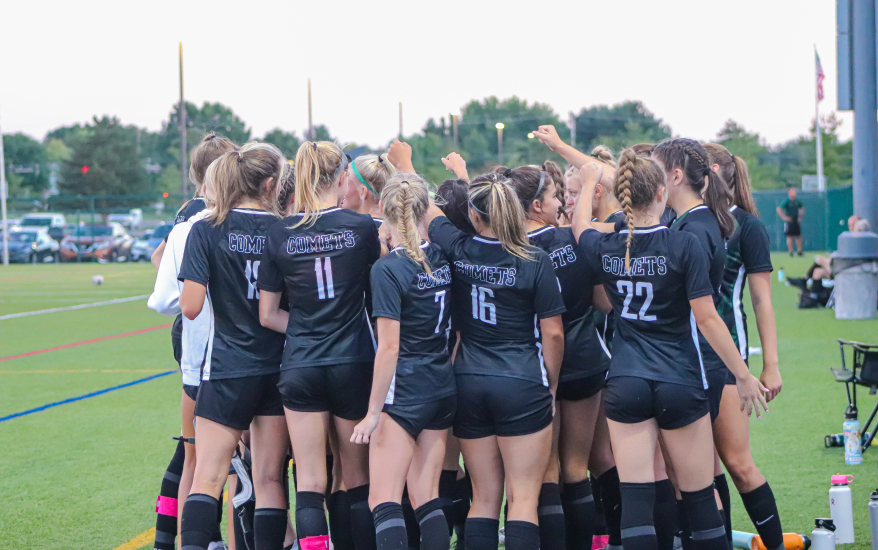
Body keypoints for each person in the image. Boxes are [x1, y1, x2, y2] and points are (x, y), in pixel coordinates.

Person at [571, 149, 767, 550]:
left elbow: (580, 228)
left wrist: (590, 182)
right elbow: (709, 320)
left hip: (626, 381)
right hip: (679, 378)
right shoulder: (683, 245)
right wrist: (743, 375)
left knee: (637, 504)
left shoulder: (606, 247)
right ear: (662, 192)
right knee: (699, 500)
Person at [424, 170, 566, 550]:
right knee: (522, 498)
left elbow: (426, 210)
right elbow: (553, 332)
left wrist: (405, 166)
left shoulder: (458, 248)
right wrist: (550, 384)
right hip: (520, 380)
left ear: (474, 216)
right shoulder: (534, 258)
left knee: (484, 498)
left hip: (468, 380)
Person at [257, 141, 380, 550]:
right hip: (353, 361)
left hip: (302, 364)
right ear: (343, 178)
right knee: (355, 477)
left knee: (310, 480)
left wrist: (309, 328)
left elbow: (268, 314)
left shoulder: (279, 231)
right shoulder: (362, 228)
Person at [177, 142, 291, 550]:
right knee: (270, 479)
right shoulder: (286, 228)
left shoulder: (206, 228)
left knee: (208, 476)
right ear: (270, 184)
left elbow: (189, 308)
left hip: (227, 367)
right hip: (279, 367)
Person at [504, 165, 611, 550]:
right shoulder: (576, 239)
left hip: (534, 368)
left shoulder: (508, 249)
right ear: (536, 205)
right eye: (554, 196)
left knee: (545, 473)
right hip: (584, 360)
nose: (560, 203)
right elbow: (604, 302)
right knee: (576, 468)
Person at [349, 174, 456, 550]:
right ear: (424, 211)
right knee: (426, 495)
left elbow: (389, 347)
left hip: (405, 391)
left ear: (383, 212)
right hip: (442, 384)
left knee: (383, 499)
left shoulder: (388, 269)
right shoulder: (441, 256)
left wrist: (374, 412)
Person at [148, 133, 238, 550]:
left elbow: (166, 294)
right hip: (239, 355)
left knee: (195, 457)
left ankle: (181, 540)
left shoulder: (189, 221)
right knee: (239, 465)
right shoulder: (250, 216)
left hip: (197, 355)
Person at [651, 138, 735, 545]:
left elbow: (704, 314)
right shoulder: (685, 223)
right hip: (686, 363)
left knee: (698, 481)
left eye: (655, 168)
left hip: (696, 364)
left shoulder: (696, 229)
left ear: (676, 177)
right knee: (693, 477)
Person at [704, 143, 786, 550]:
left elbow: (761, 301)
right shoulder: (683, 220)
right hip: (683, 360)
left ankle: (773, 544)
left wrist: (769, 365)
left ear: (713, 170)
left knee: (737, 462)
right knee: (703, 469)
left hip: (728, 358)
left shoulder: (747, 226)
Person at [341, 153, 398, 223]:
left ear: (362, 191)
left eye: (346, 183)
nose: (340, 187)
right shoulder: (398, 229)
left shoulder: (359, 231)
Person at [776, 188, 804, 256]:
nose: (794, 193)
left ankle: (799, 251)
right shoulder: (787, 201)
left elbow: (802, 208)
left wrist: (800, 217)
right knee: (789, 236)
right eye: (792, 192)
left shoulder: (797, 201)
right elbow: (779, 209)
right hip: (789, 221)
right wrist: (784, 217)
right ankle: (791, 251)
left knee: (798, 236)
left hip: (796, 220)